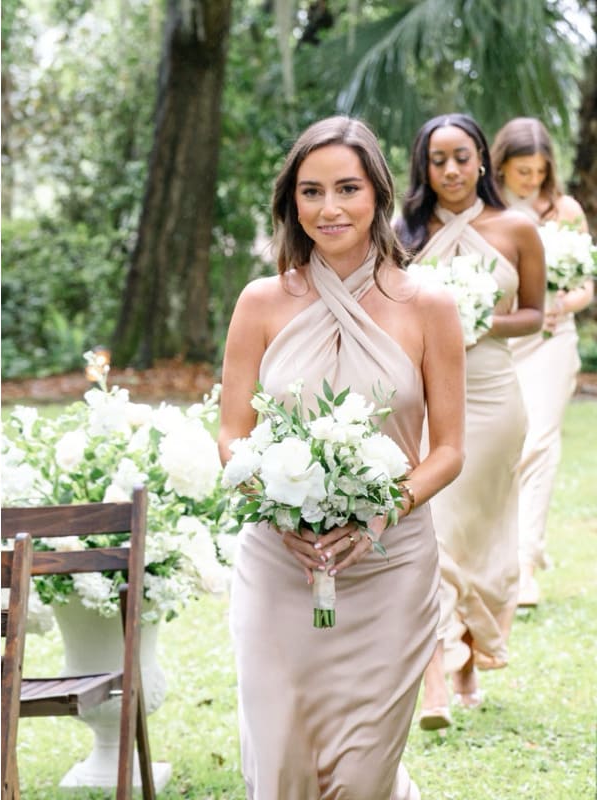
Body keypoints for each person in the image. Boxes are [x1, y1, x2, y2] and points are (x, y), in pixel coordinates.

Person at [220, 116, 465, 798]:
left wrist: (385, 510)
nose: (329, 208)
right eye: (311, 191)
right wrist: (274, 506)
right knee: (283, 756)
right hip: (279, 560)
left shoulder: (430, 305)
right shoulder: (260, 302)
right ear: (290, 204)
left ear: (379, 195)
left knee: (361, 772)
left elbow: (448, 450)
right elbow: (233, 434)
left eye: (348, 189)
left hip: (389, 565)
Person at [395, 113, 545, 729]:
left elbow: (535, 314)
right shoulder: (403, 232)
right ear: (423, 168)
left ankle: (466, 665)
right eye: (438, 160)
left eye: (462, 157)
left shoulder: (517, 228)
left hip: (492, 396)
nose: (451, 170)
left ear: (483, 160)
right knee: (433, 532)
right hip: (423, 398)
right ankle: (434, 681)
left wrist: (476, 319)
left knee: (476, 536)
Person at [491, 116, 595, 607]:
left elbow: (585, 285)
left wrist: (561, 304)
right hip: (505, 341)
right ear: (502, 168)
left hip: (553, 339)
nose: (531, 180)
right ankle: (500, 557)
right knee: (506, 446)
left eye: (538, 171)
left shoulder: (564, 210)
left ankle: (527, 564)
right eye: (521, 171)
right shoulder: (487, 210)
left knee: (541, 442)